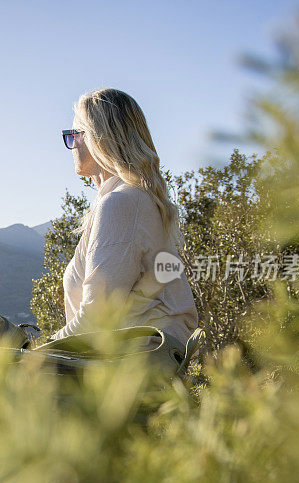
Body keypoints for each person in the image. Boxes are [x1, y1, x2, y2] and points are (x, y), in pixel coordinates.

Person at [51, 87, 199, 365]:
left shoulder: (121, 204)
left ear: (99, 139)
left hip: (131, 372)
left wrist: (32, 353)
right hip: (134, 365)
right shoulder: (132, 199)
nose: (72, 144)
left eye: (74, 135)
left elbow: (97, 320)